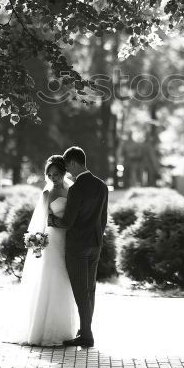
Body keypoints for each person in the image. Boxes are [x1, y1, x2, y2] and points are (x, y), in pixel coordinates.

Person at [12, 155, 78, 346]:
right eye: (49, 175)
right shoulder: (46, 193)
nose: (52, 178)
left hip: (68, 240)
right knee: (51, 279)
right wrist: (37, 239)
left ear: (63, 173)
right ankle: (44, 330)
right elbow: (39, 221)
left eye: (56, 174)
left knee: (64, 281)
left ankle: (64, 330)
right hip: (52, 241)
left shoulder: (72, 190)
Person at [48, 146, 108, 349]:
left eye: (67, 166)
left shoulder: (76, 189)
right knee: (90, 290)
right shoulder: (101, 186)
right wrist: (97, 238)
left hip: (77, 247)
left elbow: (68, 222)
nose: (68, 170)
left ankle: (87, 335)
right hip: (95, 244)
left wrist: (51, 221)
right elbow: (104, 219)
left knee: (81, 292)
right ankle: (84, 330)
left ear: (74, 163)